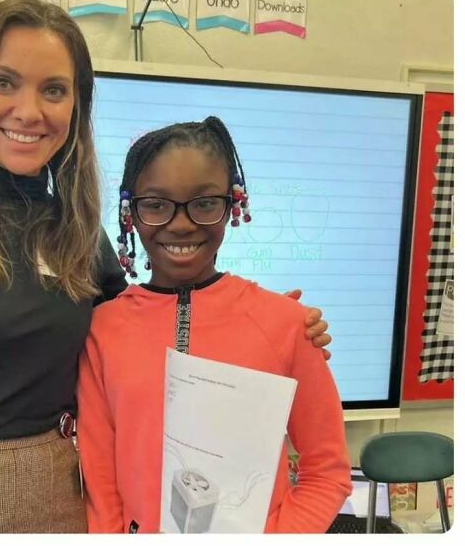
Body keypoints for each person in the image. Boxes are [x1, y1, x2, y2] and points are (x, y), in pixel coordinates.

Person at [0, 0, 333, 534]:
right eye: (4, 81)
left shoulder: (77, 238)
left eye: (53, 89)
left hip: (62, 503)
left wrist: (279, 326)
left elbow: (150, 321)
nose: (29, 111)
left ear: (76, 108)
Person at [77, 116, 351, 534]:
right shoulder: (103, 330)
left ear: (233, 203)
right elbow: (100, 478)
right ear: (130, 212)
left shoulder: (287, 324)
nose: (181, 223)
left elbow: (327, 470)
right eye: (156, 204)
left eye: (204, 203)